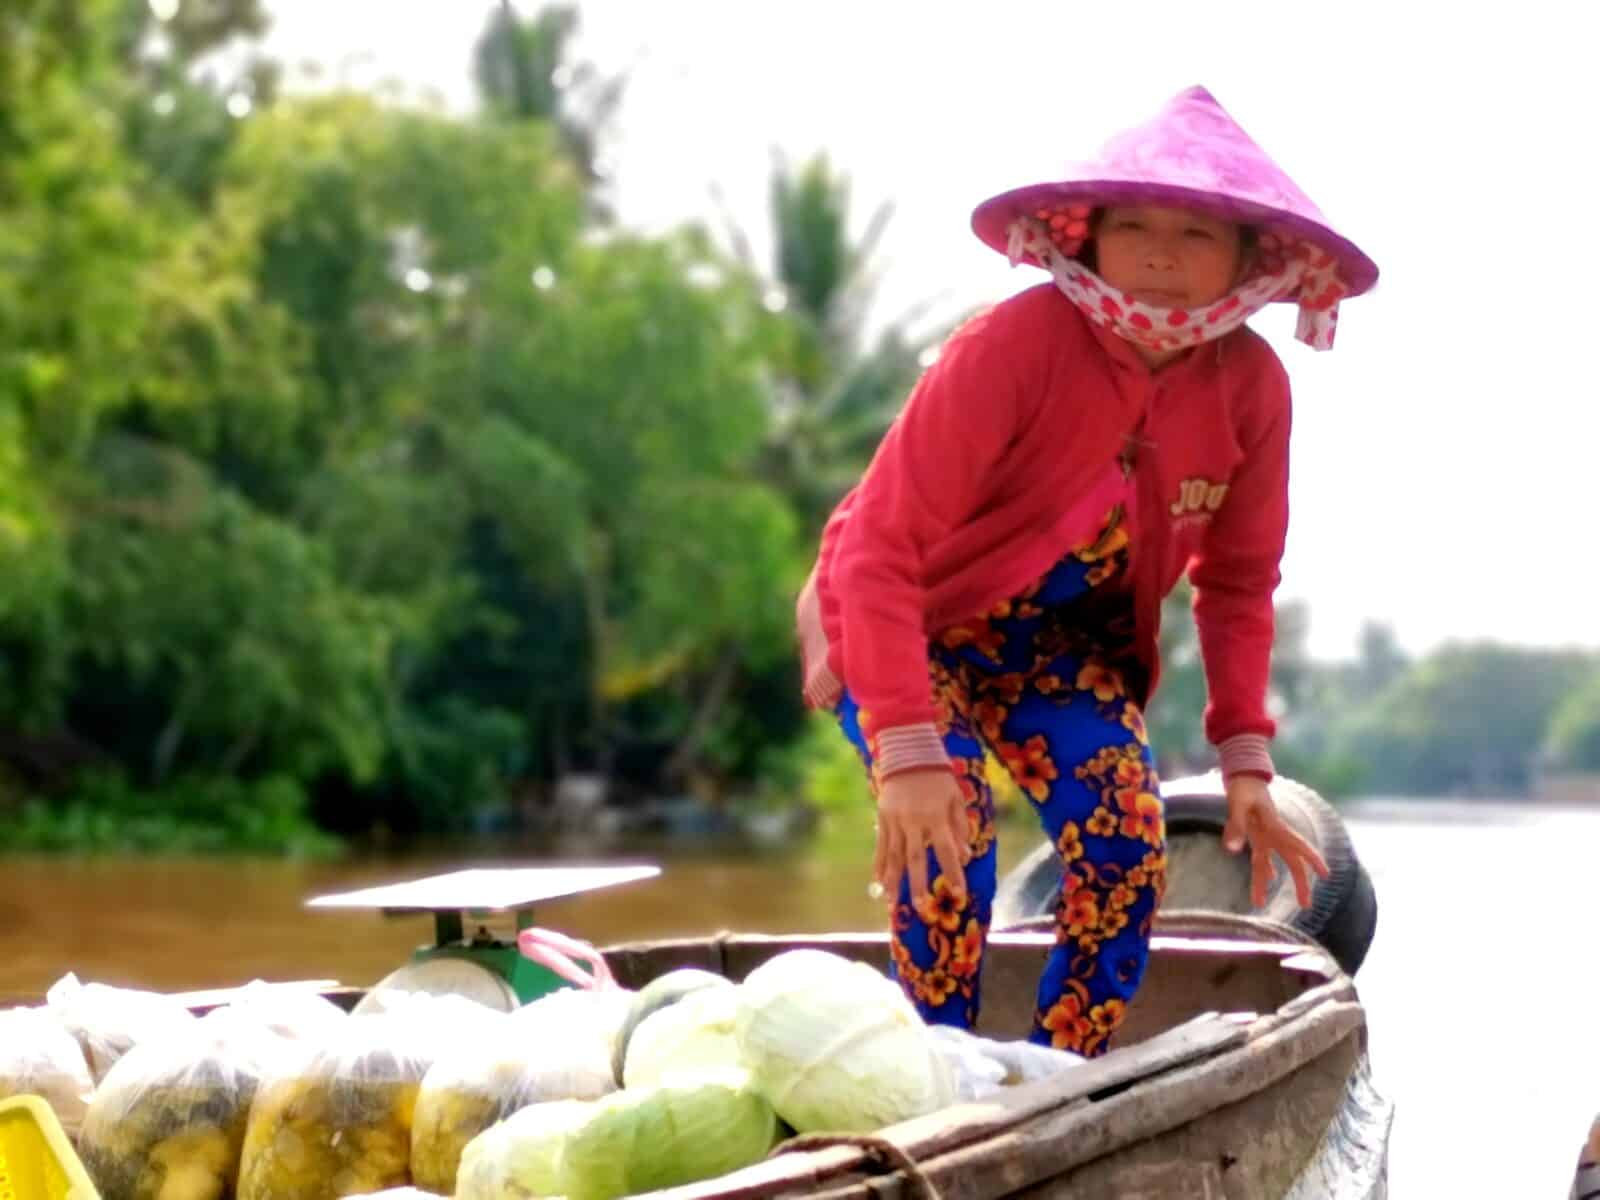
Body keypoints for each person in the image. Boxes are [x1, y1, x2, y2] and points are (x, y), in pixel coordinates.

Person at [793, 85, 1379, 1056]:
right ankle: (932, 1076)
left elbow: (1236, 582)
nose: (1157, 253)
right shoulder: (1011, 345)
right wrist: (905, 750)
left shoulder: (1251, 387)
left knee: (1123, 846)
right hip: (905, 620)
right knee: (951, 840)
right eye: (1133, 225)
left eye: (1194, 233)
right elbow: (879, 551)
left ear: (1249, 261)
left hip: (1058, 649)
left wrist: (1243, 756)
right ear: (1087, 237)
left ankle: (1056, 1077)